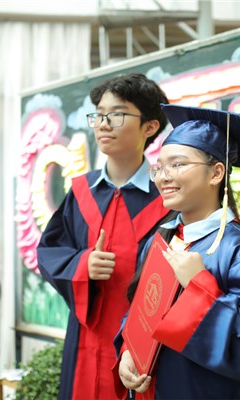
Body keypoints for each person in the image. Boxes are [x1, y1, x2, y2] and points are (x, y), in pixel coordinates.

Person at [115, 104, 240, 399]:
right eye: (159, 167)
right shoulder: (162, 239)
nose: (163, 177)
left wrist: (199, 286)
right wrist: (128, 350)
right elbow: (139, 310)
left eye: (178, 164)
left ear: (216, 173)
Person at [37, 73, 171, 400]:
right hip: (86, 341)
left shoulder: (167, 198)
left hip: (142, 348)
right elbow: (50, 251)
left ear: (150, 127)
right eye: (99, 114)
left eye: (117, 114)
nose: (103, 124)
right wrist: (82, 264)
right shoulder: (81, 192)